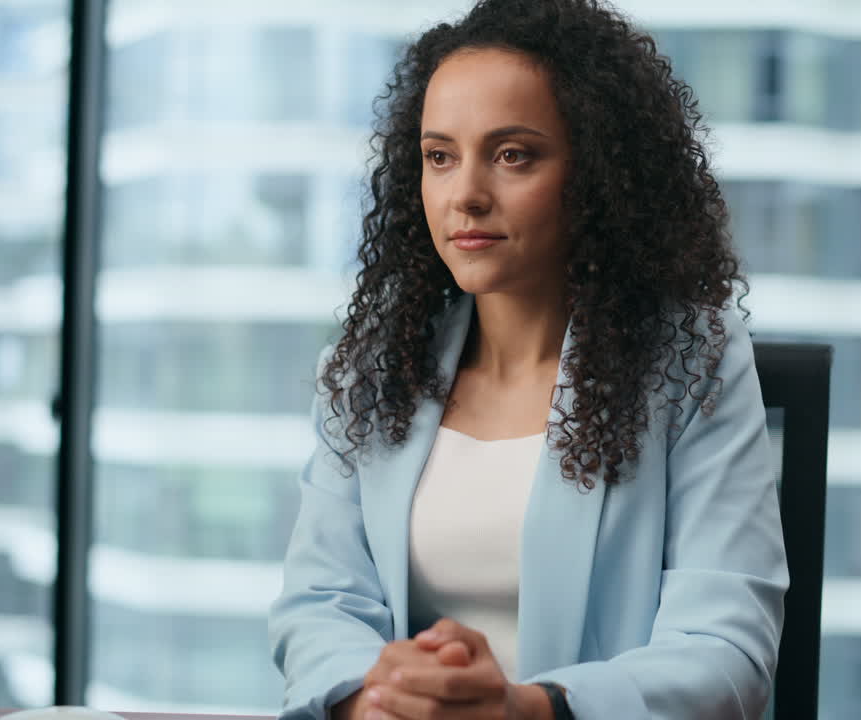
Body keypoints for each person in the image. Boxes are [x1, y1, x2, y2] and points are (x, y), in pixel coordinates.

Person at [267, 0, 788, 718]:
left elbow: (725, 649)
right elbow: (317, 604)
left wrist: (525, 708)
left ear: (597, 173)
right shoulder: (370, 369)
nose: (467, 195)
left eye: (513, 155)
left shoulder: (691, 363)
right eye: (440, 157)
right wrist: (376, 700)